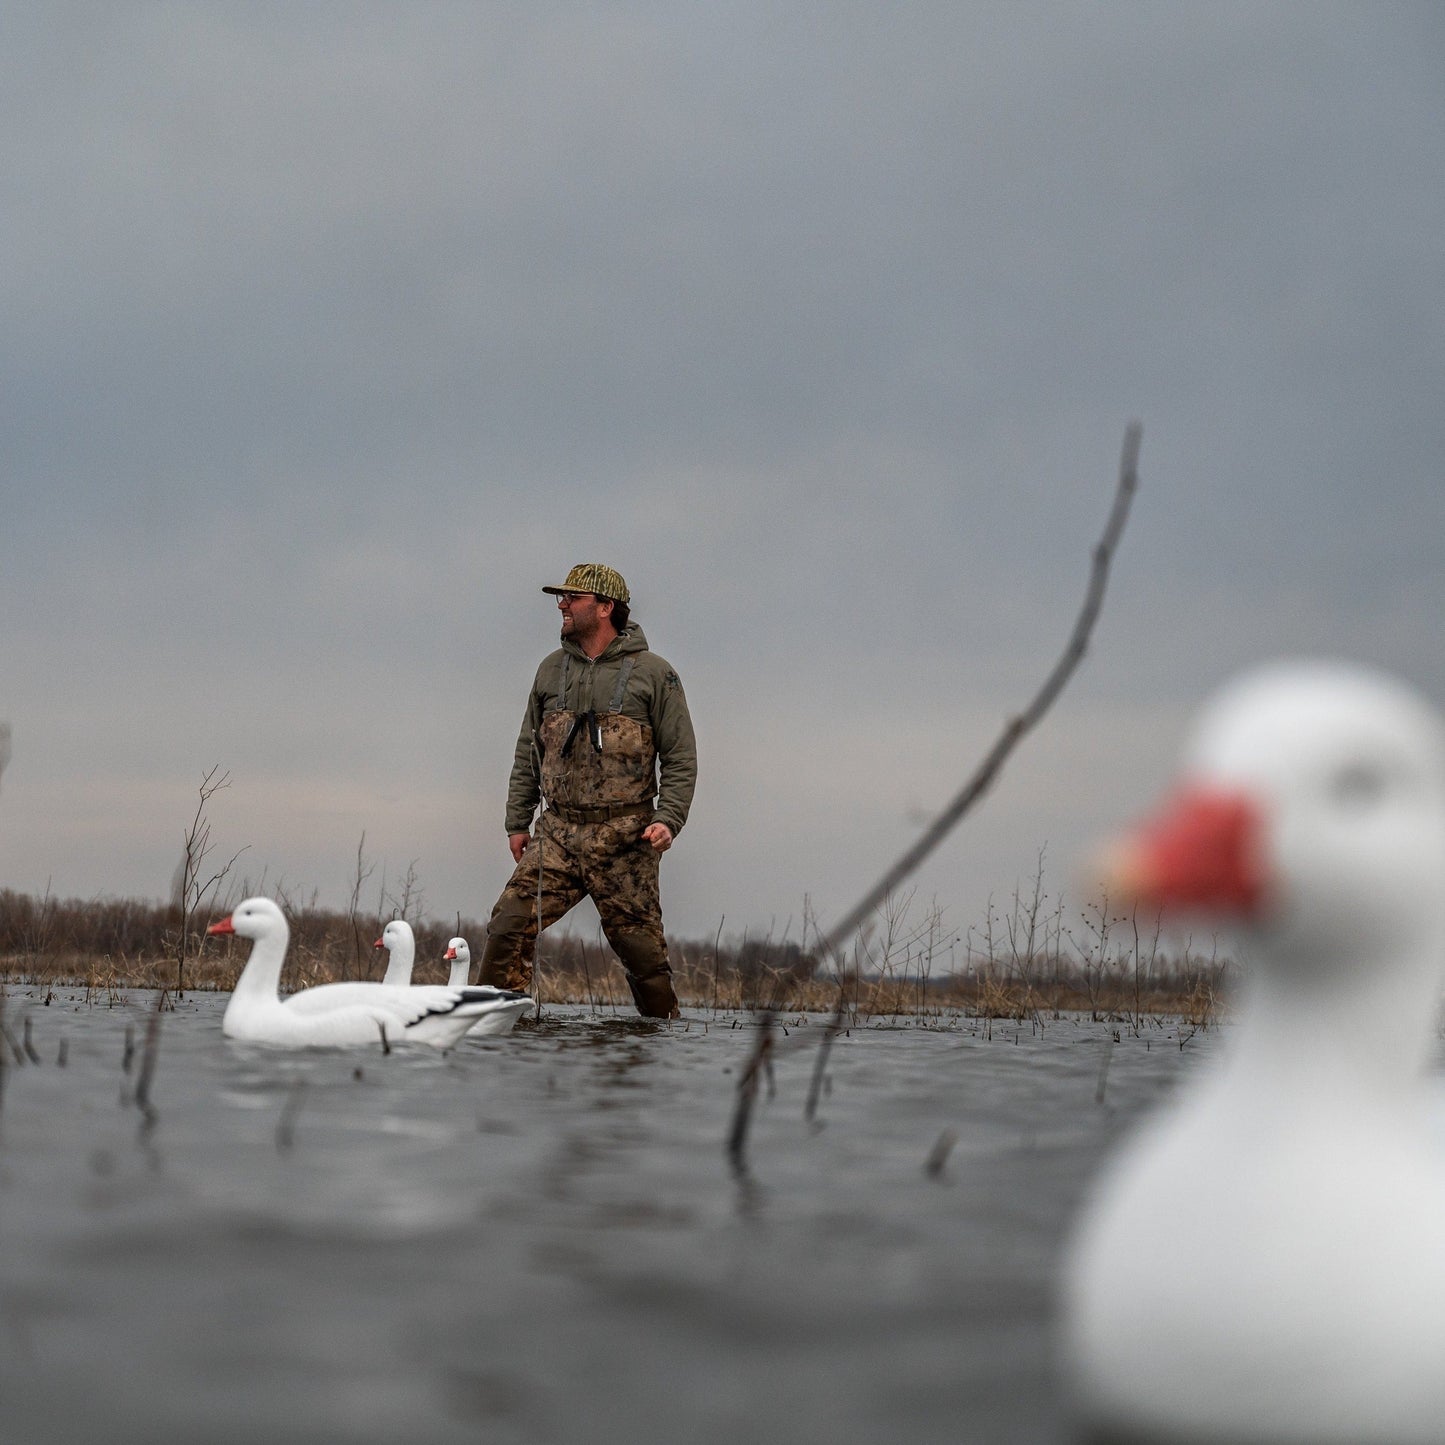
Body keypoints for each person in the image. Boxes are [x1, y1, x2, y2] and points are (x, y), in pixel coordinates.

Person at [477, 563, 696, 1017]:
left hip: (625, 838)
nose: (561, 605)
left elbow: (680, 757)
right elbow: (528, 751)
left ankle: (660, 1043)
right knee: (508, 926)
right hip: (557, 834)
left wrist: (667, 819)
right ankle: (494, 1027)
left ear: (604, 608)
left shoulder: (656, 675)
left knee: (644, 958)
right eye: (561, 597)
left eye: (571, 598)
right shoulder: (550, 671)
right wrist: (518, 822)